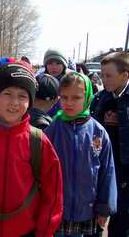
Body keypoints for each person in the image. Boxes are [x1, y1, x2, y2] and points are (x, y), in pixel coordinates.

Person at [0, 62, 63, 237]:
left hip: (25, 230)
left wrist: (45, 231)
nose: (14, 102)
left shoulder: (38, 141)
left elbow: (52, 193)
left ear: (30, 101)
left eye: (22, 96)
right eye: (7, 93)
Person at [46, 72, 117, 236]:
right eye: (64, 97)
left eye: (76, 98)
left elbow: (107, 172)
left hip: (88, 212)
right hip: (57, 211)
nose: (69, 103)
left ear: (88, 98)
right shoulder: (51, 131)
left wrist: (104, 208)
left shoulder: (98, 133)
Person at [90, 51, 129, 237]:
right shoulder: (100, 98)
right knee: (101, 214)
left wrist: (120, 120)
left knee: (122, 220)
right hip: (105, 166)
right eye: (102, 75)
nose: (104, 80)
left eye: (109, 76)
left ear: (124, 75)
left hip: (125, 170)